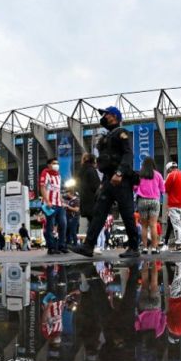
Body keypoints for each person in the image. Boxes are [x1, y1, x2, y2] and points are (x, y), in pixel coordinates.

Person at [71, 106, 139, 258]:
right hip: (109, 180)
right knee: (99, 212)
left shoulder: (122, 133)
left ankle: (134, 248)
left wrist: (120, 172)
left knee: (127, 214)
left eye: (106, 114)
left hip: (121, 180)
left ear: (114, 116)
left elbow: (128, 154)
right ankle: (88, 246)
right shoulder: (107, 136)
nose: (104, 117)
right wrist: (104, 182)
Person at [136, 157, 165, 254]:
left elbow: (135, 187)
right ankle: (154, 248)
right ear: (153, 164)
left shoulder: (140, 175)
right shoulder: (158, 175)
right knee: (153, 225)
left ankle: (144, 248)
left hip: (142, 201)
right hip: (154, 201)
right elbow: (163, 189)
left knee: (144, 226)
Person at [40, 157, 68, 255]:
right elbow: (42, 187)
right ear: (49, 165)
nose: (56, 165)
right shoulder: (45, 173)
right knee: (50, 226)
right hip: (50, 204)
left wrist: (62, 201)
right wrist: (47, 201)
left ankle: (61, 246)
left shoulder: (58, 175)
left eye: (57, 163)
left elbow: (58, 190)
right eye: (53, 163)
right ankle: (51, 247)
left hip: (59, 204)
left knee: (63, 224)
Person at [164, 161, 181, 252]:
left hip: (174, 204)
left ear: (170, 169)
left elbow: (165, 189)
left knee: (176, 225)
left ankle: (178, 245)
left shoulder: (171, 175)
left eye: (168, 170)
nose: (168, 172)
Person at [78, 153, 102, 227]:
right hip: (92, 203)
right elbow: (96, 186)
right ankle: (91, 238)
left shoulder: (81, 171)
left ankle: (90, 238)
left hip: (84, 202)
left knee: (91, 223)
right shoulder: (91, 170)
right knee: (95, 225)